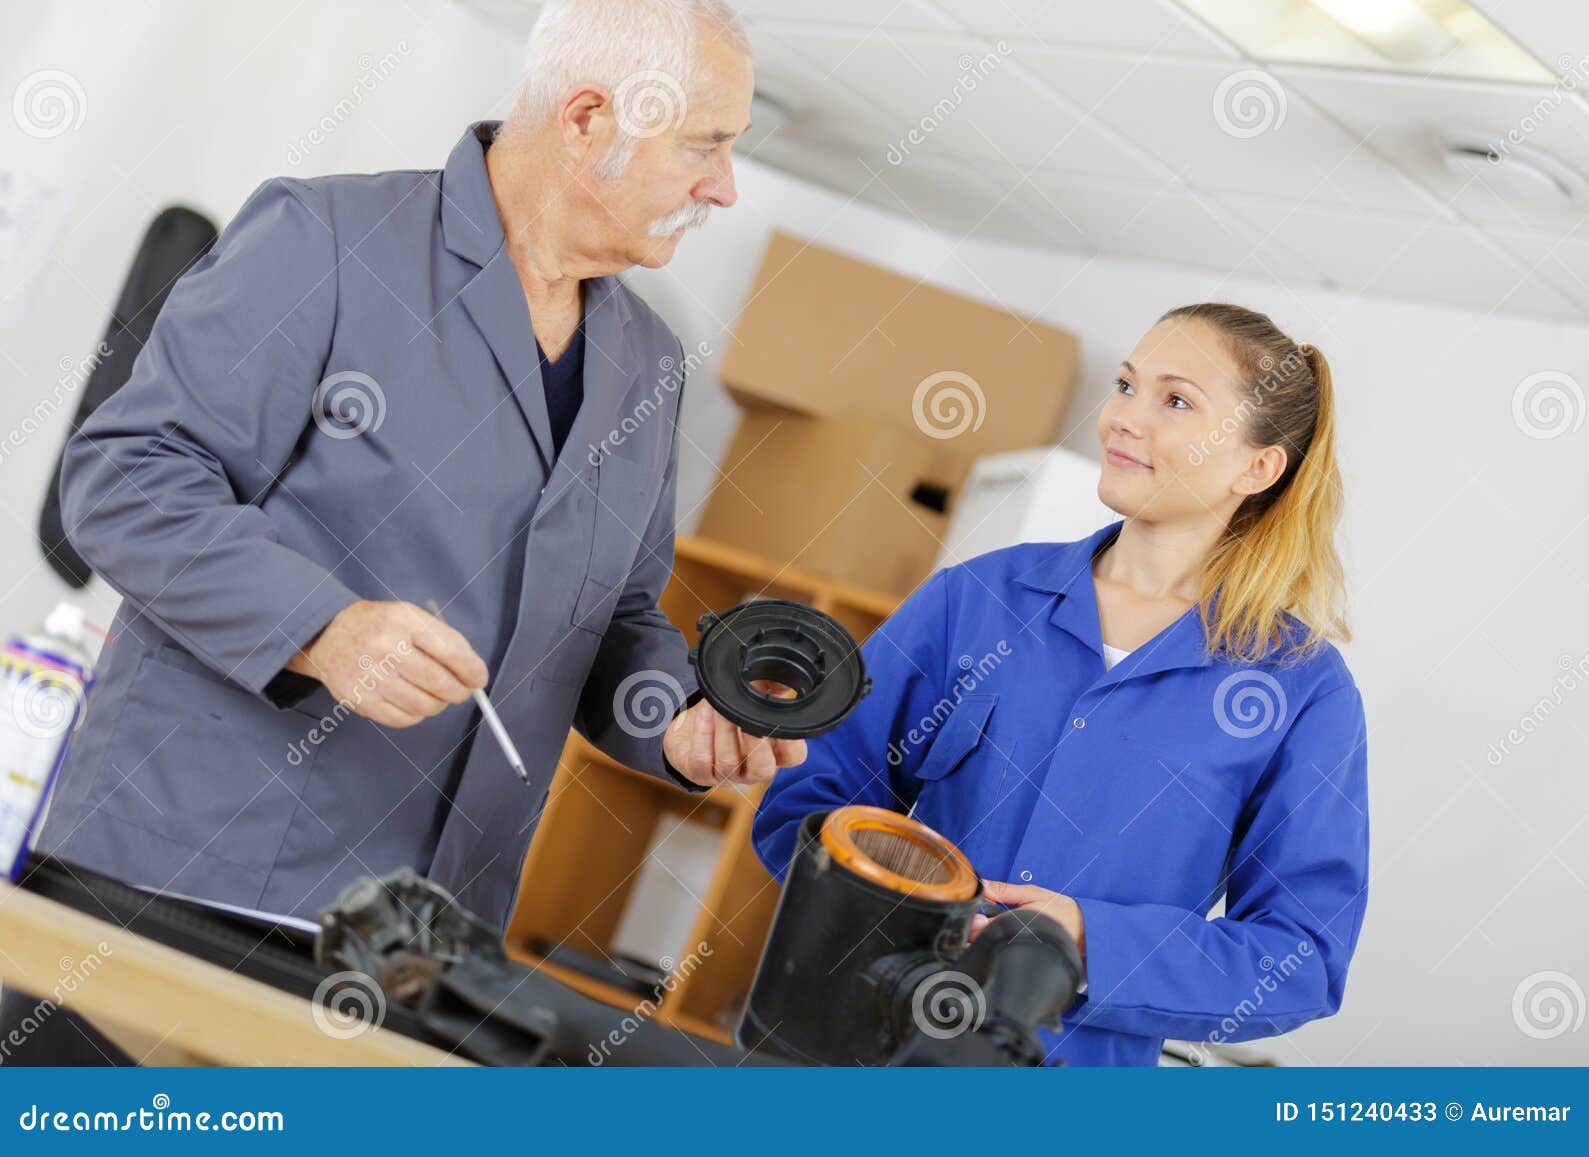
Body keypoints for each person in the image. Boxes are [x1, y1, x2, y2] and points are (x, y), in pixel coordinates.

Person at [7, 0, 798, 1065]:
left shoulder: (643, 361)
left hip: (419, 948)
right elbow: (123, 478)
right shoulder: (327, 238)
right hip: (186, 879)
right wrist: (322, 626)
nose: (723, 186)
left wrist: (677, 720)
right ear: (586, 118)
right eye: (706, 144)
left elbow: (609, 616)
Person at [752, 303, 1371, 1067]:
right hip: (874, 1054)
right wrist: (903, 909)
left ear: (1258, 465)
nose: (1121, 418)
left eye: (1175, 401)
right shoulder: (976, 599)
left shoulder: (1302, 690)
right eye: (1125, 385)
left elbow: (1300, 959)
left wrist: (1091, 939)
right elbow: (811, 800)